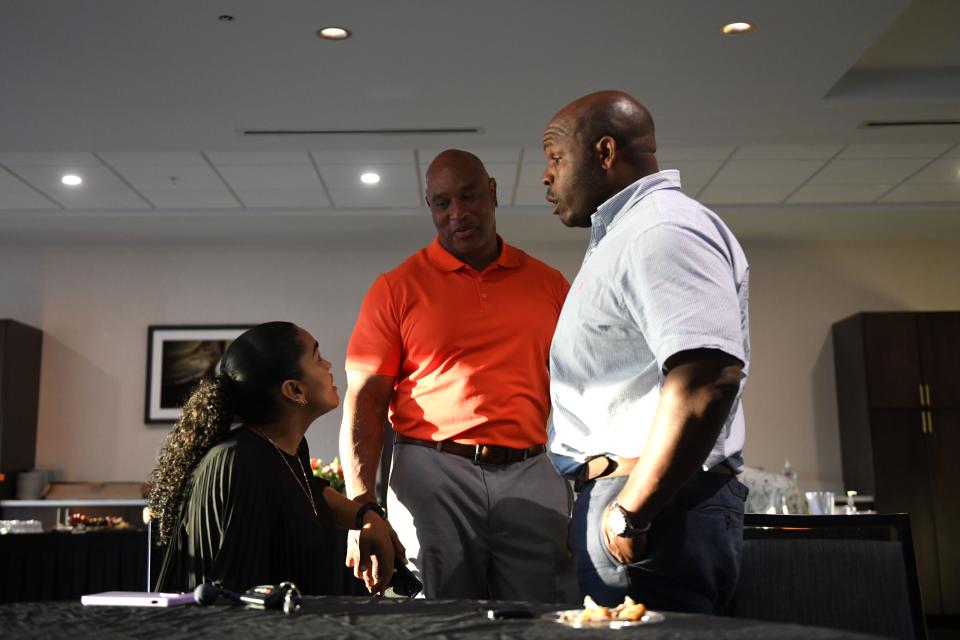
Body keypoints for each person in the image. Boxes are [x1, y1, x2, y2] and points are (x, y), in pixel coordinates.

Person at [540, 91, 751, 613]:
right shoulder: (629, 235)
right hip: (637, 502)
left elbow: (708, 378)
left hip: (655, 509)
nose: (546, 176)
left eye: (556, 158)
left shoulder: (660, 231)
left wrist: (632, 509)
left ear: (605, 152)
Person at [339, 149, 576, 603]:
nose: (458, 214)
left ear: (492, 193)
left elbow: (580, 392)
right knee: (438, 617)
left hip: (531, 467)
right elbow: (364, 403)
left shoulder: (548, 284)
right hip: (433, 471)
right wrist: (362, 509)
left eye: (468, 197)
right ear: (430, 207)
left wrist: (585, 492)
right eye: (442, 203)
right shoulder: (395, 288)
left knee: (546, 615)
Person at [150, 321, 400, 595]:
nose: (328, 364)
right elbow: (238, 593)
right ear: (294, 390)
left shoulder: (288, 449)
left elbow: (307, 493)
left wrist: (367, 516)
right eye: (317, 357)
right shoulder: (238, 462)